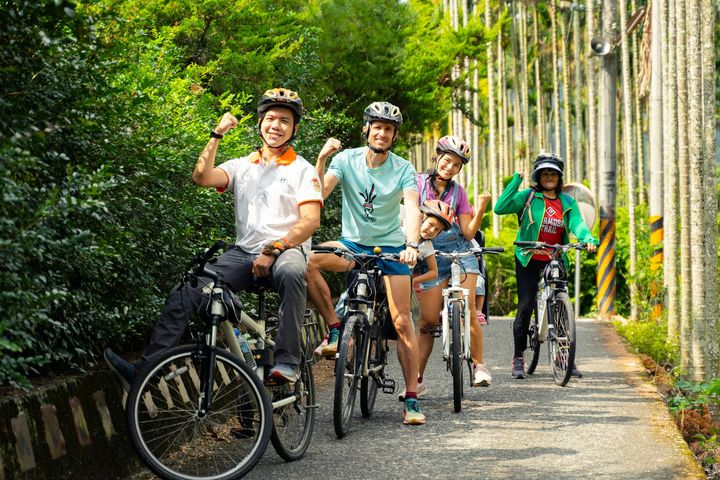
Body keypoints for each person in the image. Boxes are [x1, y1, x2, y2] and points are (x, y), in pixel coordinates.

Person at [104, 87, 323, 388]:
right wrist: (216, 134)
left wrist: (274, 249)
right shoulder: (242, 166)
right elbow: (201, 177)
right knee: (189, 288)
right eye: (270, 118)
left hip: (284, 251)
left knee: (292, 271)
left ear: (294, 128)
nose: (276, 125)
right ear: (259, 124)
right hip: (245, 253)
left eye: (285, 120)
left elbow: (311, 221)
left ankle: (287, 362)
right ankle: (147, 372)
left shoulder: (303, 169)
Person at [306, 101, 426, 425]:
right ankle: (334, 327)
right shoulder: (345, 160)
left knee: (402, 322)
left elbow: (413, 208)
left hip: (391, 247)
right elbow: (316, 196)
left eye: (388, 129)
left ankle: (412, 398)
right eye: (377, 127)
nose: (382, 133)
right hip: (352, 243)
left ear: (394, 135)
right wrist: (321, 159)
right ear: (366, 129)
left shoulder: (403, 168)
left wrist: (412, 245)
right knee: (307, 261)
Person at [493, 152, 597, 379]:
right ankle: (519, 356)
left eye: (553, 173)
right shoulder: (528, 196)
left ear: (559, 178)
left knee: (560, 300)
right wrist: (515, 182)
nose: (549, 177)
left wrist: (587, 239)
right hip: (528, 257)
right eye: (544, 173)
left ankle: (563, 357)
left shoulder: (567, 202)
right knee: (526, 304)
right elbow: (500, 208)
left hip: (555, 257)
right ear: (537, 176)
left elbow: (577, 224)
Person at [413, 135, 493, 398]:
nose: (450, 167)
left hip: (460, 251)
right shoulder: (416, 183)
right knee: (427, 322)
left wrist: (480, 208)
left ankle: (478, 366)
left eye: (457, 165)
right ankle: (416, 381)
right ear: (437, 158)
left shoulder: (459, 193)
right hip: (428, 253)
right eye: (447, 161)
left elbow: (469, 234)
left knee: (468, 310)